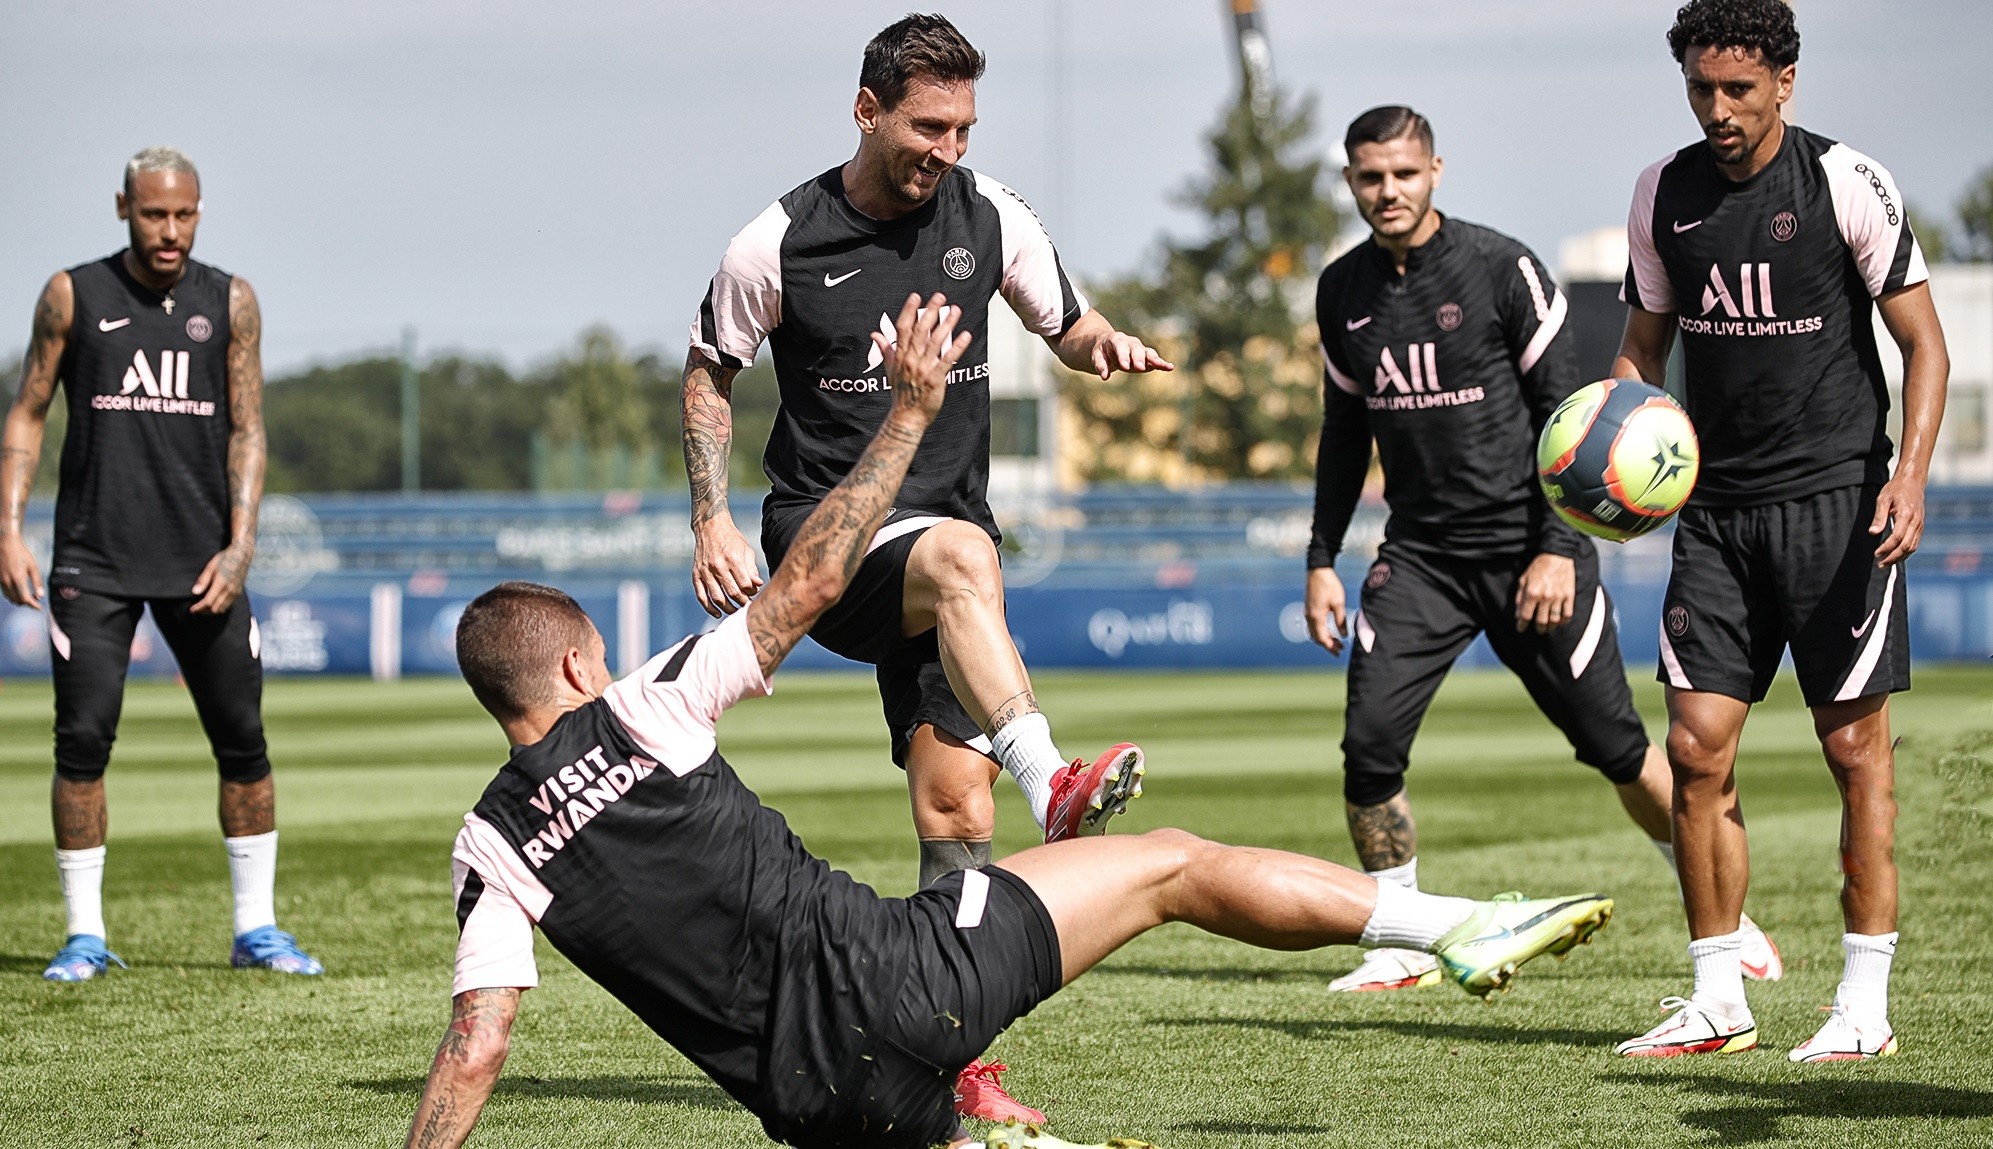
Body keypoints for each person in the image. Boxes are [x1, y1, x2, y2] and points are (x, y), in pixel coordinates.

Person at [405, 296, 1617, 1149]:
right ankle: (1449, 924)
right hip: (902, 978)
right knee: (1170, 867)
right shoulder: (647, 705)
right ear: (575, 662)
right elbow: (811, 584)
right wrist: (908, 414)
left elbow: (475, 1051)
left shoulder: (487, 848)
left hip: (819, 1112)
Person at [682, 15, 1171, 897]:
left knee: (956, 805)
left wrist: (1102, 343)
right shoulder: (778, 241)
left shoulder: (989, 215)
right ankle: (1055, 783)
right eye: (927, 127)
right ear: (868, 111)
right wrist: (710, 515)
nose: (947, 149)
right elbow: (709, 371)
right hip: (826, 539)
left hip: (950, 554)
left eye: (962, 130)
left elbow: (1066, 321)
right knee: (961, 553)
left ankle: (950, 1028)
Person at [1304, 106, 1780, 994]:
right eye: (1370, 178)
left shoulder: (1499, 267)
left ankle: (1727, 910)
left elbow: (1576, 410)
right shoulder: (1340, 291)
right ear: (1350, 181)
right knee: (1367, 744)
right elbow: (1341, 433)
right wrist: (1320, 556)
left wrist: (1557, 548)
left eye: (1403, 174)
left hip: (1534, 551)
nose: (1387, 192)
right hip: (1421, 559)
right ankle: (1403, 937)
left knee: (1617, 747)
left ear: (1434, 170)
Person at [1610, 0, 1947, 1061]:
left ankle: (1862, 1007)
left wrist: (1910, 475)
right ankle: (1717, 997)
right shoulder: (1661, 194)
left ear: (1784, 83)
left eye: (1737, 90)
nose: (1717, 109)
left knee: (1854, 752)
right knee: (1694, 748)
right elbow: (1639, 353)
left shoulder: (1846, 182)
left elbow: (1924, 349)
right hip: (1712, 518)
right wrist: (1612, 455)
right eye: (1700, 89)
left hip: (1839, 511)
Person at [0, 147, 320, 982]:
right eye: (152, 214)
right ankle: (83, 935)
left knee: (243, 742)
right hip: (93, 563)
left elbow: (249, 428)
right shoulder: (74, 294)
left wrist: (241, 545)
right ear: (123, 209)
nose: (169, 230)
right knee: (81, 746)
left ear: (200, 211)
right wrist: (7, 528)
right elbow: (29, 411)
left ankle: (256, 928)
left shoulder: (231, 301)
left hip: (204, 564)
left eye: (183, 214)